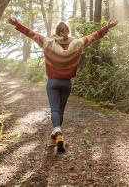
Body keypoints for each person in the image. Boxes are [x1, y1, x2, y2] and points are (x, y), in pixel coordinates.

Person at [8, 16, 118, 152]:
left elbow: (30, 33)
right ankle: (55, 138)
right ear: (68, 31)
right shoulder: (78, 43)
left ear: (56, 31)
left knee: (54, 110)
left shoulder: (48, 42)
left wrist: (16, 23)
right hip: (67, 83)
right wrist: (107, 27)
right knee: (60, 111)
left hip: (53, 82)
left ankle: (58, 133)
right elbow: (94, 36)